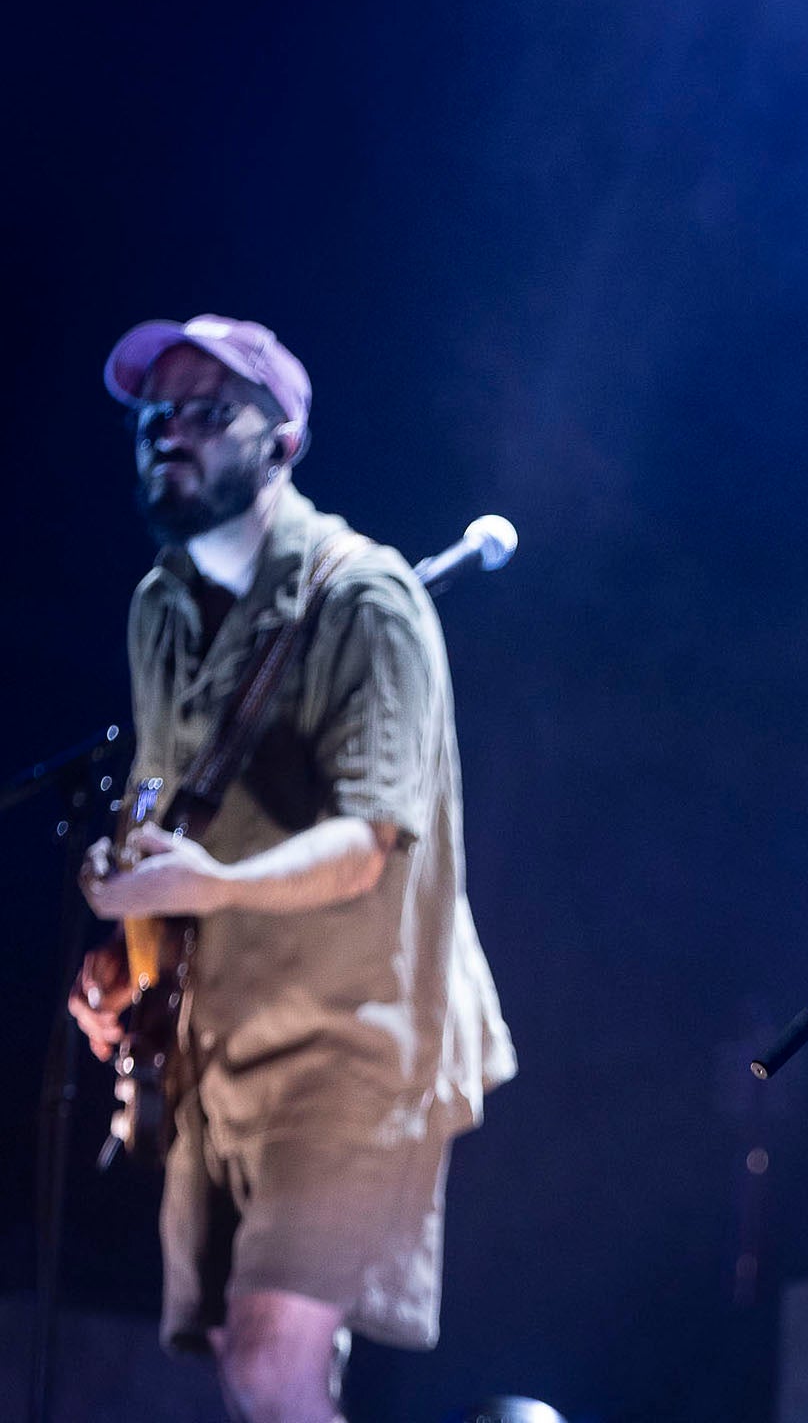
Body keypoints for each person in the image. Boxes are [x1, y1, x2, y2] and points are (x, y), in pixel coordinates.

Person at [67, 315, 516, 1423]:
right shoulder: (158, 609)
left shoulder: (369, 600)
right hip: (223, 1045)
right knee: (244, 1360)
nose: (171, 431)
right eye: (153, 414)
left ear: (283, 442)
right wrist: (135, 951)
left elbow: (370, 839)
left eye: (207, 411)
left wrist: (206, 886)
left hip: (357, 1038)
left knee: (272, 1354)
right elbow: (180, 815)